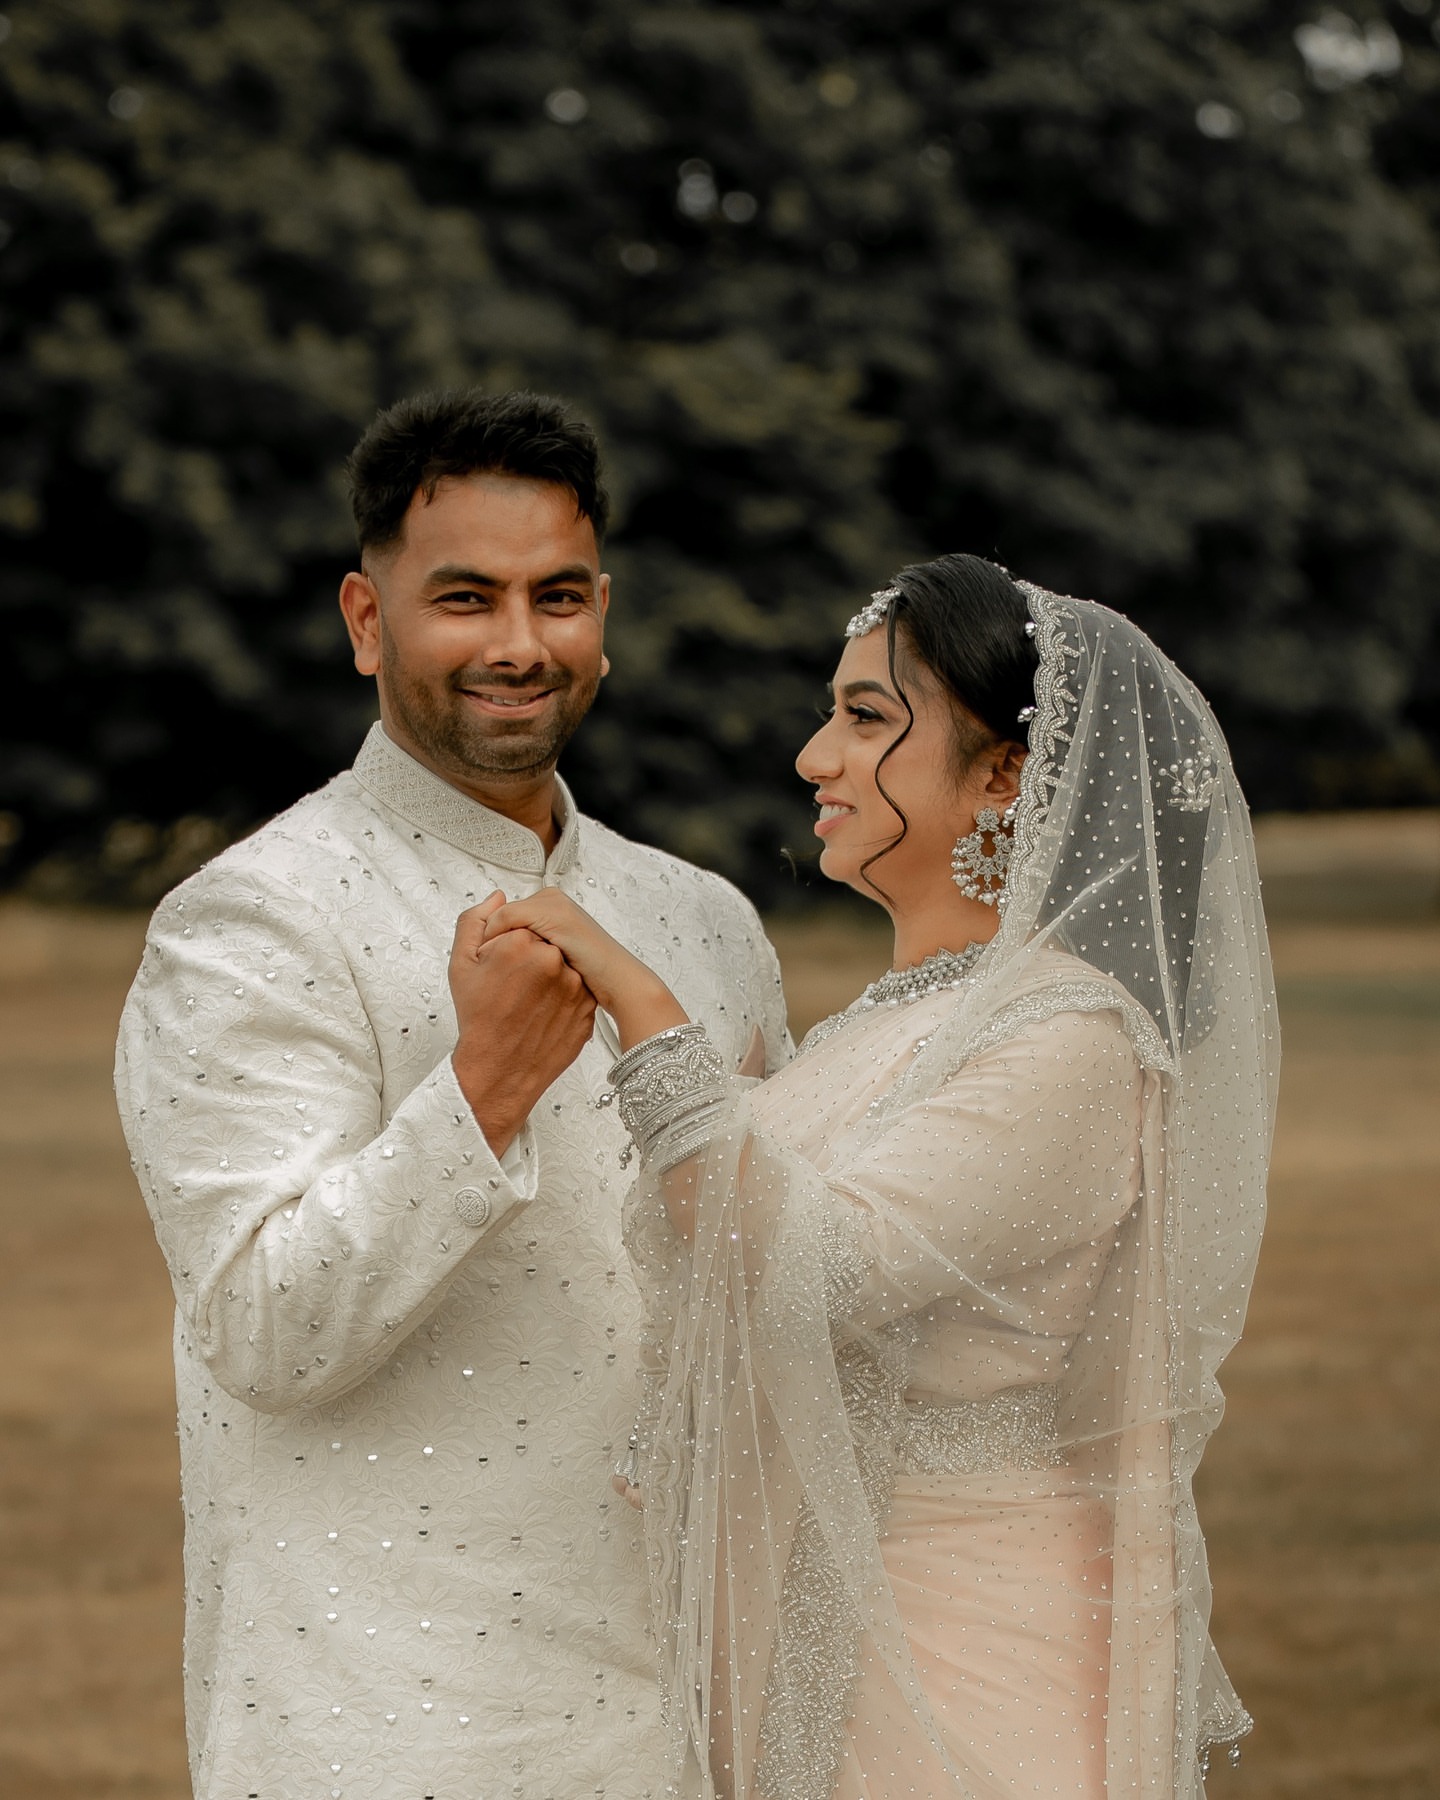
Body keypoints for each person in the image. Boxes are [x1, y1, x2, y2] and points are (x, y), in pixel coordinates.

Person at [483, 554, 1276, 1798]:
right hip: (817, 1627)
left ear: (1005, 775)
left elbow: (814, 1268)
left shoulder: (1073, 1040)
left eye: (865, 719)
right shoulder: (889, 1024)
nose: (814, 757)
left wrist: (645, 1015)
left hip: (955, 1655)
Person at [113, 388, 790, 1800]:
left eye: (558, 597)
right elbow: (259, 1326)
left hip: (690, 1708)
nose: (520, 645)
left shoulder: (708, 921)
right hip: (383, 1714)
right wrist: (477, 1094)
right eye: (465, 599)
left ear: (604, 608)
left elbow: (767, 1289)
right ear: (367, 620)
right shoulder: (252, 922)